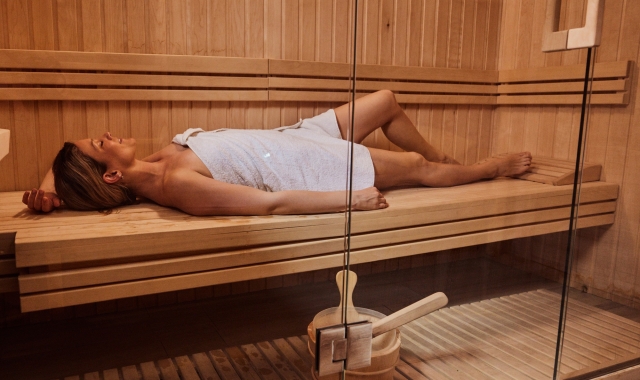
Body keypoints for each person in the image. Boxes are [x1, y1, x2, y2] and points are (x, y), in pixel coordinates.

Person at [22, 90, 532, 216]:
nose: (107, 135)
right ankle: (485, 170)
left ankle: (451, 164)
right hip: (310, 166)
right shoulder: (176, 186)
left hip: (295, 133)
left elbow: (68, 163)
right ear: (110, 177)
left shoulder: (154, 161)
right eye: (100, 145)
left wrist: (51, 192)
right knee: (418, 171)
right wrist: (348, 201)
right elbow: (271, 205)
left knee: (387, 102)